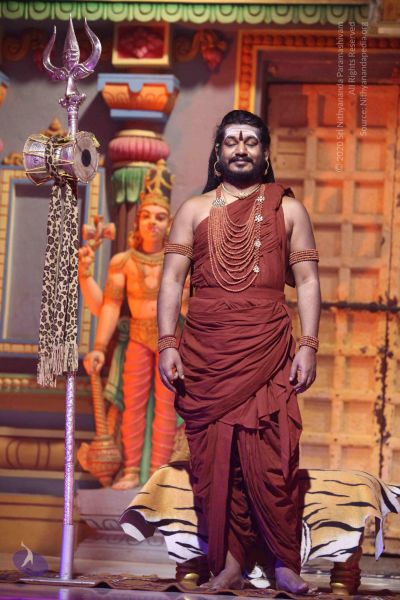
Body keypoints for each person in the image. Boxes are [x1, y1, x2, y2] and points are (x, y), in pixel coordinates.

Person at [156, 110, 321, 594]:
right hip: (207, 352)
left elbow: (308, 281)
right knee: (217, 464)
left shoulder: (289, 210)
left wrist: (309, 345)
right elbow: (172, 280)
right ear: (218, 153)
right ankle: (228, 564)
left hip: (267, 349)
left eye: (251, 141)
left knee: (274, 460)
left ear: (265, 154)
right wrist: (167, 342)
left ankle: (283, 563)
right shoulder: (193, 210)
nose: (241, 148)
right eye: (231, 141)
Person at [81, 161, 188, 490]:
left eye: (160, 217)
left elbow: (188, 308)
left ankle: (158, 471)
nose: (152, 222)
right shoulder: (123, 262)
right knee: (133, 405)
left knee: (167, 407)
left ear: (169, 223)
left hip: (171, 342)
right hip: (138, 338)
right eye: (147, 216)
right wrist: (100, 348)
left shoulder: (179, 261)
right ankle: (130, 470)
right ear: (138, 221)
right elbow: (109, 307)